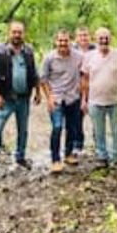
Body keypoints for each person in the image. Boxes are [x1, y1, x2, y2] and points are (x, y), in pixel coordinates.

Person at [0, 21, 41, 177]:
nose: (17, 35)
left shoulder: (28, 51)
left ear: (24, 34)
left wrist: (38, 92)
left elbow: (35, 74)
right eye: (14, 32)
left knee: (23, 130)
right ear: (9, 33)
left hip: (23, 99)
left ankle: (20, 157)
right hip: (5, 99)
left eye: (19, 32)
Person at [41, 30, 83, 173]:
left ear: (70, 41)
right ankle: (55, 158)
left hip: (73, 97)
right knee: (57, 127)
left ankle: (69, 153)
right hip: (57, 98)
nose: (63, 44)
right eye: (60, 41)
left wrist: (83, 95)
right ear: (56, 42)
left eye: (66, 40)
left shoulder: (78, 57)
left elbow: (85, 73)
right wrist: (49, 98)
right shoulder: (49, 58)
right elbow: (44, 80)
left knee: (72, 127)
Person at [81, 27, 117, 168]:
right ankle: (101, 156)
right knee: (99, 131)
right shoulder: (89, 56)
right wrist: (84, 99)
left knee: (116, 131)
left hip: (116, 101)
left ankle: (116, 157)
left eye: (106, 37)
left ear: (110, 38)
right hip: (95, 100)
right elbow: (85, 79)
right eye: (101, 38)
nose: (104, 40)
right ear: (95, 39)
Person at [72, 26, 96, 157]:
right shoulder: (72, 50)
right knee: (77, 118)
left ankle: (98, 144)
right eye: (80, 35)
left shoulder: (96, 49)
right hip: (76, 88)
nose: (83, 38)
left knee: (95, 117)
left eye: (85, 35)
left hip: (94, 88)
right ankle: (77, 144)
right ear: (76, 37)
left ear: (90, 36)